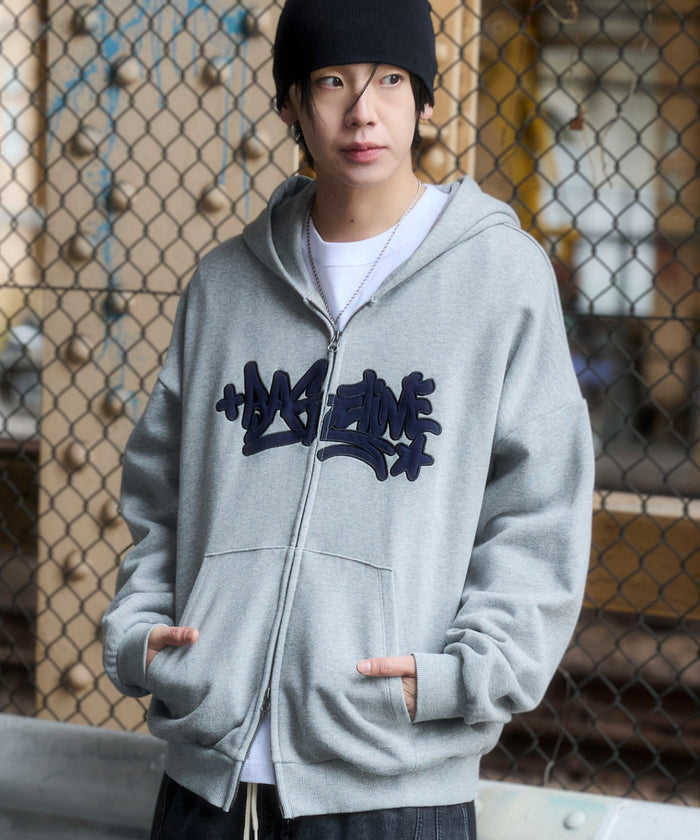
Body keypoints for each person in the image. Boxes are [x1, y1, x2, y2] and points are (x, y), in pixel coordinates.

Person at [102, 0, 594, 837]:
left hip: (393, 781)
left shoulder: (500, 278)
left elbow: (540, 505)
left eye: (391, 80)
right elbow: (158, 487)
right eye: (332, 81)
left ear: (426, 101)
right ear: (291, 104)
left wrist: (459, 677)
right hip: (208, 781)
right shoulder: (225, 286)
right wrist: (143, 635)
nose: (364, 111)